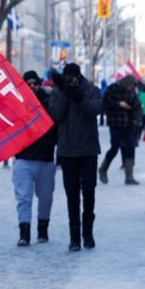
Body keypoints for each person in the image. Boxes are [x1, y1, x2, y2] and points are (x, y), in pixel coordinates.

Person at [48, 62, 102, 252]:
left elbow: (94, 110)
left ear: (79, 77)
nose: (71, 81)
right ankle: (74, 237)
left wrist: (78, 95)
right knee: (72, 196)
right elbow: (56, 114)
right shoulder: (57, 92)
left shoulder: (91, 90)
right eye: (68, 78)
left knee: (88, 192)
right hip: (67, 151)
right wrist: (65, 92)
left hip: (88, 151)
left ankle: (88, 232)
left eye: (73, 78)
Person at [11, 71, 57, 247]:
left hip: (46, 158)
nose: (32, 87)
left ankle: (43, 230)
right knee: (24, 198)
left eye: (35, 84)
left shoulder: (49, 104)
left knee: (46, 198)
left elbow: (57, 124)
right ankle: (24, 233)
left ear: (40, 85)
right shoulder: (16, 104)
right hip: (24, 158)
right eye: (28, 84)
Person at [98, 75, 142, 185]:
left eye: (132, 86)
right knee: (115, 148)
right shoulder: (113, 88)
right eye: (130, 86)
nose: (130, 88)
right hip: (116, 123)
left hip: (128, 124)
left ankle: (129, 177)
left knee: (130, 147)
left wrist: (136, 118)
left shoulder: (131, 91)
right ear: (126, 83)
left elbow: (136, 104)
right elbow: (105, 102)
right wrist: (119, 104)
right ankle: (103, 169)